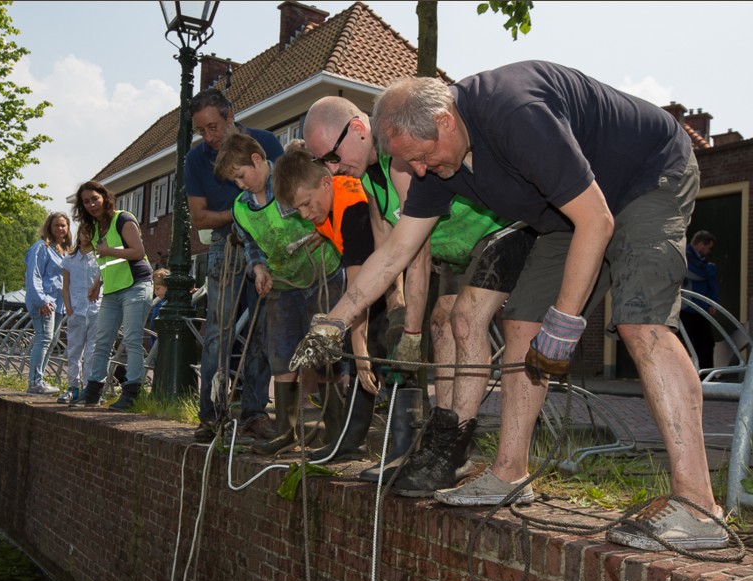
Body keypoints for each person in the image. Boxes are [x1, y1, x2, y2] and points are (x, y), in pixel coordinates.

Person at [294, 61, 728, 551]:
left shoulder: (516, 114)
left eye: (422, 158)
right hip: (571, 211)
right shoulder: (434, 161)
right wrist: (333, 322)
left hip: (646, 177)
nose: (418, 172)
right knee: (521, 321)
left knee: (641, 325)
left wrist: (565, 321)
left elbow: (597, 221)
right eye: (410, 164)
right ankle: (509, 473)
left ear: (445, 121)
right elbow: (396, 252)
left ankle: (698, 507)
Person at [302, 97, 537, 494]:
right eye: (322, 162)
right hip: (459, 250)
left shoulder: (402, 163)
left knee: (459, 320)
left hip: (498, 229)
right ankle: (439, 444)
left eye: (331, 155)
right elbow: (386, 249)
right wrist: (396, 306)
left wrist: (410, 336)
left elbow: (417, 253)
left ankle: (452, 447)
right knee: (441, 323)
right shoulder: (367, 180)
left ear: (359, 130)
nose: (332, 167)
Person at [273, 146, 406, 461]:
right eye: (298, 209)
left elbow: (360, 290)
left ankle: (405, 440)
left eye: (306, 204)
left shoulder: (352, 208)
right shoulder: (328, 204)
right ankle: (350, 438)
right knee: (373, 346)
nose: (305, 215)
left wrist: (358, 351)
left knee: (391, 348)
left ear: (325, 182)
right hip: (380, 276)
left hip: (401, 277)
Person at [217, 132, 345, 453]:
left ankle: (337, 433)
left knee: (323, 353)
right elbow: (251, 244)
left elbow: (323, 208)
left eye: (241, 175)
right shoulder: (241, 208)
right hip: (283, 285)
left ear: (258, 161)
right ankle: (285, 431)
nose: (240, 185)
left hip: (321, 275)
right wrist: (258, 268)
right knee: (281, 352)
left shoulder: (288, 181)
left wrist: (324, 232)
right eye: (234, 181)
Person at [185, 87, 284, 443]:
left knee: (262, 328)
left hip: (267, 246)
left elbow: (284, 193)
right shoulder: (196, 160)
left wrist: (251, 217)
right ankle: (211, 415)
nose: (209, 137)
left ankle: (255, 412)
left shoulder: (266, 142)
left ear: (231, 116)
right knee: (219, 332)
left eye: (214, 127)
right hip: (225, 246)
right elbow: (199, 218)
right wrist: (245, 212)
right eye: (202, 131)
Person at [72, 180, 153, 411]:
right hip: (112, 289)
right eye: (86, 202)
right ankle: (93, 391)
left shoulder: (123, 219)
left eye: (94, 199)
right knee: (102, 341)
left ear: (105, 198)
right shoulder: (97, 228)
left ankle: (132, 392)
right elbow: (108, 261)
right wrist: (98, 282)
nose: (91, 204)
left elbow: (138, 252)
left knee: (132, 339)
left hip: (136, 285)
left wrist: (107, 250)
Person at [24, 211, 71, 395]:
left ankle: (39, 380)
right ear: (49, 228)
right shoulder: (41, 247)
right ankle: (35, 382)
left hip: (59, 303)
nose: (60, 228)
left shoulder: (64, 250)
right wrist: (41, 299)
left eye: (63, 225)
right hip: (45, 301)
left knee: (51, 341)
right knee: (44, 338)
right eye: (56, 225)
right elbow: (33, 274)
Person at [58, 224, 102, 406]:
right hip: (76, 309)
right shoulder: (70, 259)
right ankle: (72, 387)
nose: (86, 236)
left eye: (90, 233)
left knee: (92, 350)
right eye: (84, 232)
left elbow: (105, 278)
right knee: (74, 350)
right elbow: (65, 286)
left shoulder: (100, 258)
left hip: (95, 309)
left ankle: (88, 388)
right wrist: (68, 308)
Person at [681, 230, 719, 371]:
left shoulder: (704, 263)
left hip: (701, 309)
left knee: (707, 343)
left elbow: (711, 284)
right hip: (686, 310)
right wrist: (708, 271)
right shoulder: (684, 257)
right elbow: (693, 274)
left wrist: (712, 302)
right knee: (685, 343)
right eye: (708, 247)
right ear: (701, 245)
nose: (709, 251)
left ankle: (706, 375)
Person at [144, 268, 170, 370]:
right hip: (155, 341)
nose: (155, 292)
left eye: (158, 288)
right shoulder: (157, 303)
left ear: (167, 287)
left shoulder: (165, 303)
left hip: (164, 343)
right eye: (154, 289)